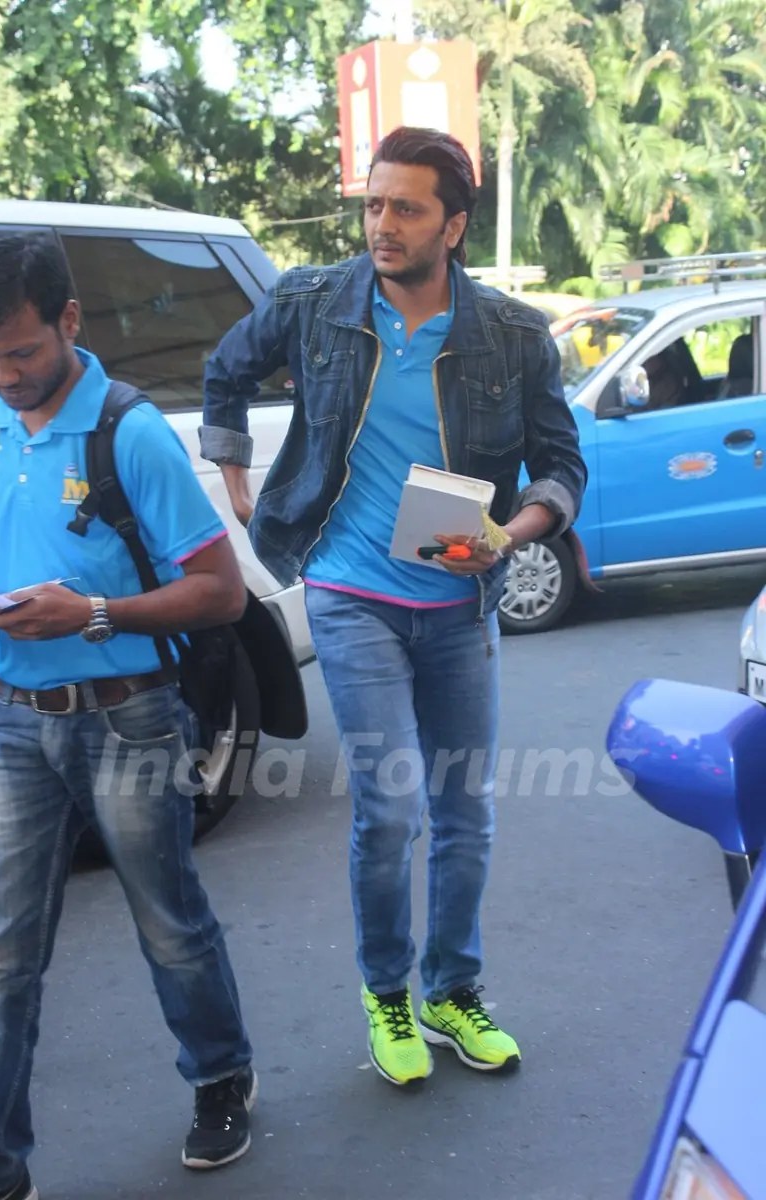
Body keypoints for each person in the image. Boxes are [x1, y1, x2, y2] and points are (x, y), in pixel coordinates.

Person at [201, 126, 588, 1088]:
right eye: (374, 204)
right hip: (346, 588)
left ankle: (455, 991)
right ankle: (388, 993)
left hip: (461, 591)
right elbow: (226, 371)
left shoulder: (512, 333)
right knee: (392, 802)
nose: (382, 224)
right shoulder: (313, 301)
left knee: (466, 810)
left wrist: (520, 529)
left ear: (453, 226)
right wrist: (236, 471)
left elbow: (561, 463)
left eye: (406, 208)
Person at [0, 233, 257, 1200]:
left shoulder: (130, 433)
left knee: (168, 921)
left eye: (22, 352)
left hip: (131, 719)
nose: (5, 375)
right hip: (11, 721)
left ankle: (221, 1076)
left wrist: (92, 614)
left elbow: (220, 593)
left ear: (70, 321)